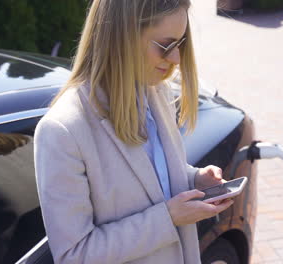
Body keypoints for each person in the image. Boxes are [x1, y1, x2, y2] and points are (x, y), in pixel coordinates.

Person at [33, 0, 234, 263]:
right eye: (165, 45)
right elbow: (75, 255)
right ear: (122, 36)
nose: (175, 59)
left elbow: (152, 177)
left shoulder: (156, 90)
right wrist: (168, 218)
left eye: (180, 44)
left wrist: (195, 179)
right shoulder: (62, 131)